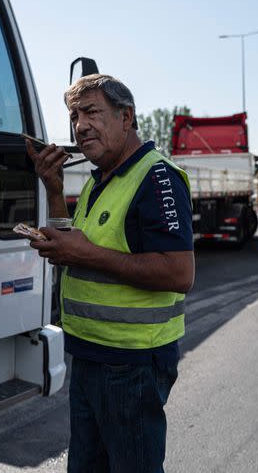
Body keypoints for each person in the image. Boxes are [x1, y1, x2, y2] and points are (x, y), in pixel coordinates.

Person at [25, 74, 194, 473]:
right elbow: (76, 247)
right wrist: (53, 187)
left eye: (91, 112)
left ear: (126, 117)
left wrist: (87, 254)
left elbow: (179, 272)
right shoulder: (100, 179)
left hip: (131, 364)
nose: (80, 125)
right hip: (89, 355)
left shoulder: (157, 178)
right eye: (73, 116)